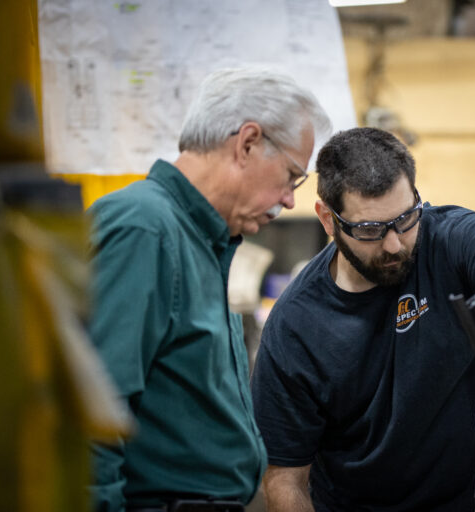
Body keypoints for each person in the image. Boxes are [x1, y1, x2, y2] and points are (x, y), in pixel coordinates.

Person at [88, 67, 331, 512]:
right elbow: (90, 418)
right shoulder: (145, 230)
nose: (290, 200)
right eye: (291, 176)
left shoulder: (201, 242)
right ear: (248, 143)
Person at [250, 127, 475, 511]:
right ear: (328, 219)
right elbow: (284, 481)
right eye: (370, 229)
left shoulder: (455, 240)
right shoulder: (295, 327)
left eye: (405, 219)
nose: (393, 244)